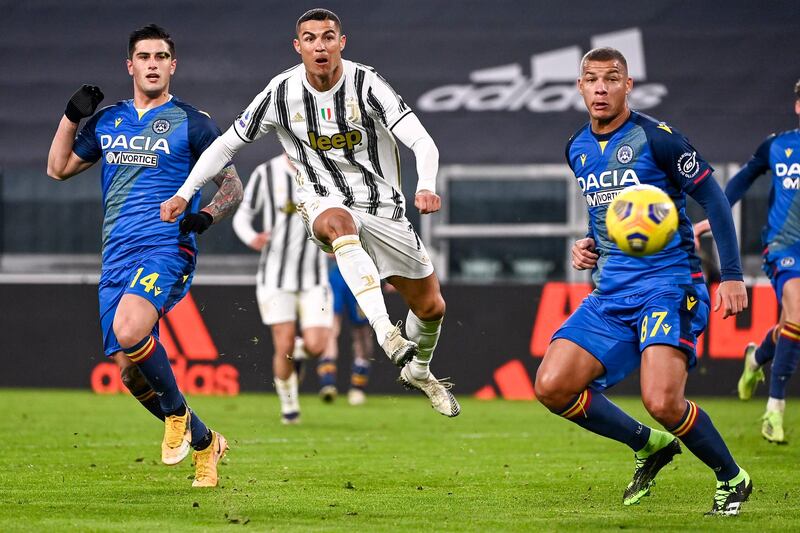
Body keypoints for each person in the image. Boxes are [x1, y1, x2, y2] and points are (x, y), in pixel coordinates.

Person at [161, 8, 460, 417]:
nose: (320, 45)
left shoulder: (367, 83)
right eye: (311, 38)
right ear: (297, 46)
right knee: (337, 222)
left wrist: (426, 183)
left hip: (385, 209)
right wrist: (184, 192)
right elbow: (226, 144)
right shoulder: (281, 92)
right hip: (323, 200)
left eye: (328, 36)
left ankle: (420, 371)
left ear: (342, 42)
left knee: (431, 308)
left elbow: (423, 142)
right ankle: (385, 332)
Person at [533, 47, 752, 515]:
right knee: (552, 387)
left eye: (611, 79)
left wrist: (731, 276)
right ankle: (648, 445)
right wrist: (587, 243)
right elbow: (608, 213)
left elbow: (714, 200)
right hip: (611, 291)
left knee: (663, 401)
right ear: (579, 86)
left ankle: (732, 478)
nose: (600, 88)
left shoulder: (659, 139)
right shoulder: (576, 147)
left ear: (628, 85)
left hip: (669, 285)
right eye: (591, 79)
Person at [46, 24, 241, 487]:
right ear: (129, 65)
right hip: (116, 255)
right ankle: (205, 441)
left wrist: (208, 215)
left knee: (131, 328)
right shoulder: (108, 121)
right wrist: (70, 117)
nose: (152, 64)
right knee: (130, 374)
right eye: (143, 56)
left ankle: (176, 414)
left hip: (166, 246)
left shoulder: (193, 122)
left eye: (160, 56)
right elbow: (58, 170)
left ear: (173, 65)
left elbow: (231, 184)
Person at [694, 79, 800, 444]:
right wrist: (715, 214)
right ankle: (774, 410)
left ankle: (755, 359)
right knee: (798, 315)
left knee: (791, 324)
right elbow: (742, 178)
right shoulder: (778, 145)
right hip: (784, 245)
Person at [232, 153, 332, 424]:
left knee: (317, 345)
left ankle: (298, 354)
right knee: (283, 343)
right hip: (275, 279)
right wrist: (253, 237)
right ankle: (290, 407)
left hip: (314, 277)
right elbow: (243, 215)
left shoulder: (324, 168)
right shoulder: (266, 171)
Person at [317, 258, 375, 406]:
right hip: (332, 274)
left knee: (362, 333)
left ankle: (357, 387)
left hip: (359, 275)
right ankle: (328, 382)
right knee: (331, 328)